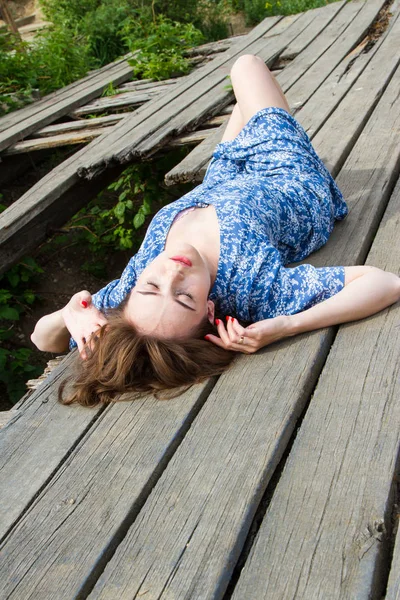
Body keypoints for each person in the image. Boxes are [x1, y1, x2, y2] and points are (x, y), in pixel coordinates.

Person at [31, 55, 400, 407]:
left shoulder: (127, 296)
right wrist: (288, 325)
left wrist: (68, 313)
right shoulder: (253, 288)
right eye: (185, 297)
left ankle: (273, 122)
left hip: (223, 177)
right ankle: (287, 135)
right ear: (209, 309)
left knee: (246, 101)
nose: (173, 272)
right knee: (247, 66)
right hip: (287, 179)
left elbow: (42, 339)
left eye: (152, 285)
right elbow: (385, 284)